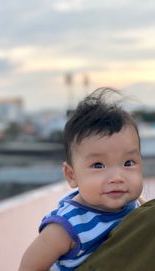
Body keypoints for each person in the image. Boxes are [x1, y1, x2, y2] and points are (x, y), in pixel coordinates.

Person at [19, 87, 144, 271]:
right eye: (98, 165)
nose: (117, 177)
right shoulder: (67, 227)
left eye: (128, 162)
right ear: (71, 175)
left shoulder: (136, 205)